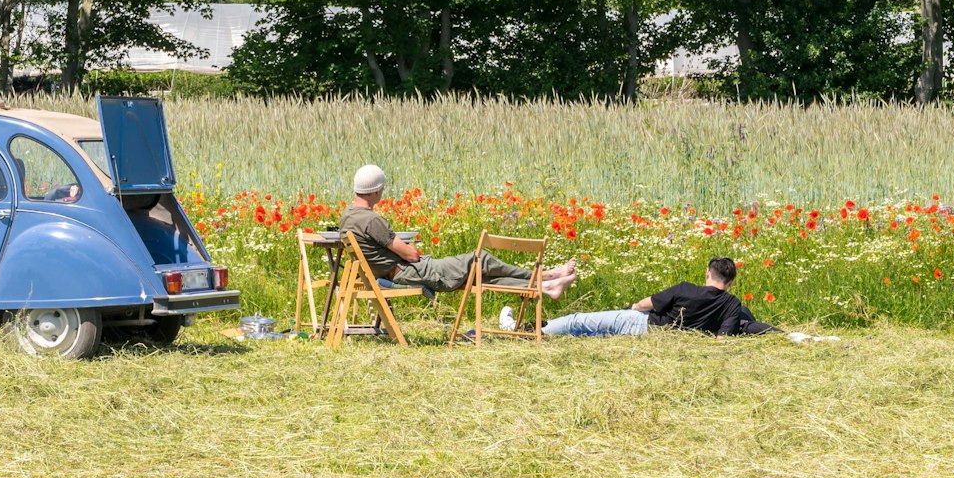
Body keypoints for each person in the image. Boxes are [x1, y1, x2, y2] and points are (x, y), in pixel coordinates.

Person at [339, 164, 578, 297]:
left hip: (398, 272)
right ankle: (545, 276)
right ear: (376, 190)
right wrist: (410, 249)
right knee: (481, 260)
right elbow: (411, 255)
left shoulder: (348, 217)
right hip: (410, 271)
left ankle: (543, 287)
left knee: (480, 276)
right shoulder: (372, 220)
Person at [540, 256, 818, 339]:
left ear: (708, 273)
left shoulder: (686, 289)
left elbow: (646, 304)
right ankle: (545, 331)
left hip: (644, 324)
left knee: (581, 322)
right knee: (594, 333)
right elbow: (723, 339)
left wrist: (633, 306)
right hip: (660, 337)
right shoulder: (732, 304)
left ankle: (540, 330)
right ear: (731, 282)